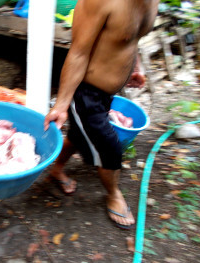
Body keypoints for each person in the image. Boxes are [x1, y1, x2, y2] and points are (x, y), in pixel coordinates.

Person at [43, 0, 158, 230]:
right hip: (85, 92)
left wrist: (135, 68)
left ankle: (56, 170)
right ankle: (113, 194)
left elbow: (133, 38)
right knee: (109, 147)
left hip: (108, 94)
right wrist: (62, 104)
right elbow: (78, 53)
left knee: (79, 134)